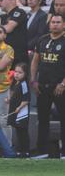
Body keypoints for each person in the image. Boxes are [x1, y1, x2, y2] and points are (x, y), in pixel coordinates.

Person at [30, 14, 65, 159]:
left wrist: (63, 83)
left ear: (63, 25)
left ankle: (64, 152)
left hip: (60, 87)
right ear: (49, 24)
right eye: (53, 22)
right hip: (42, 86)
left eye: (58, 22)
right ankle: (42, 151)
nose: (55, 24)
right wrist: (33, 81)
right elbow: (35, 61)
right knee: (43, 119)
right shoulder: (42, 40)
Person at [7, 63, 30, 157]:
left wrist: (19, 108)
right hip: (15, 111)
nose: (16, 74)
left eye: (20, 72)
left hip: (22, 113)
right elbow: (15, 96)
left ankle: (25, 151)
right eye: (16, 71)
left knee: (23, 132)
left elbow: (26, 100)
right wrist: (9, 100)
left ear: (25, 74)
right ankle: (20, 150)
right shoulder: (15, 83)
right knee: (18, 131)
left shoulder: (24, 84)